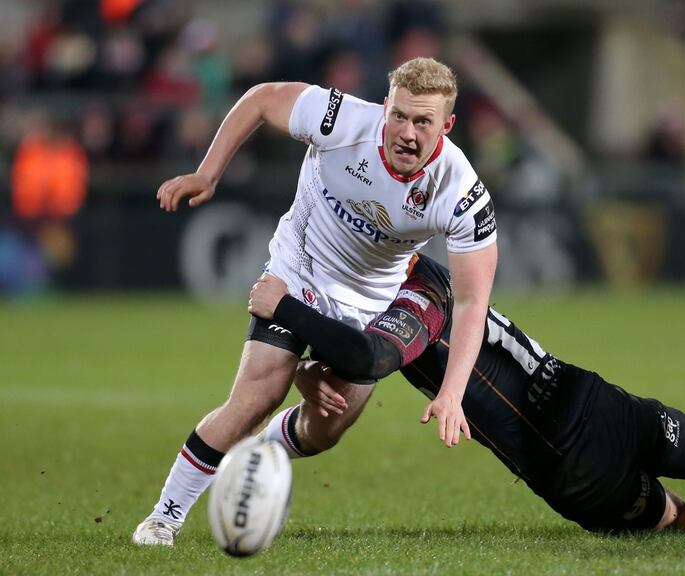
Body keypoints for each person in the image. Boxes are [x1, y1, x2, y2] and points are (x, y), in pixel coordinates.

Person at [247, 254, 685, 536]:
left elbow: (370, 353)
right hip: (601, 400)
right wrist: (314, 375)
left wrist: (286, 309)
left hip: (569, 466)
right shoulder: (436, 271)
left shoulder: (411, 298)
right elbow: (354, 364)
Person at [134, 58, 499, 546]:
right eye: (399, 116)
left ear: (447, 125)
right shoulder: (341, 120)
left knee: (326, 429)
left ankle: (257, 456)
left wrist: (452, 393)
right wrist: (208, 173)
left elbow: (473, 301)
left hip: (371, 304)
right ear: (385, 107)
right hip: (297, 274)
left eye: (423, 122)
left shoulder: (459, 191)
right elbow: (262, 98)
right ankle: (164, 517)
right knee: (255, 399)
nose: (406, 133)